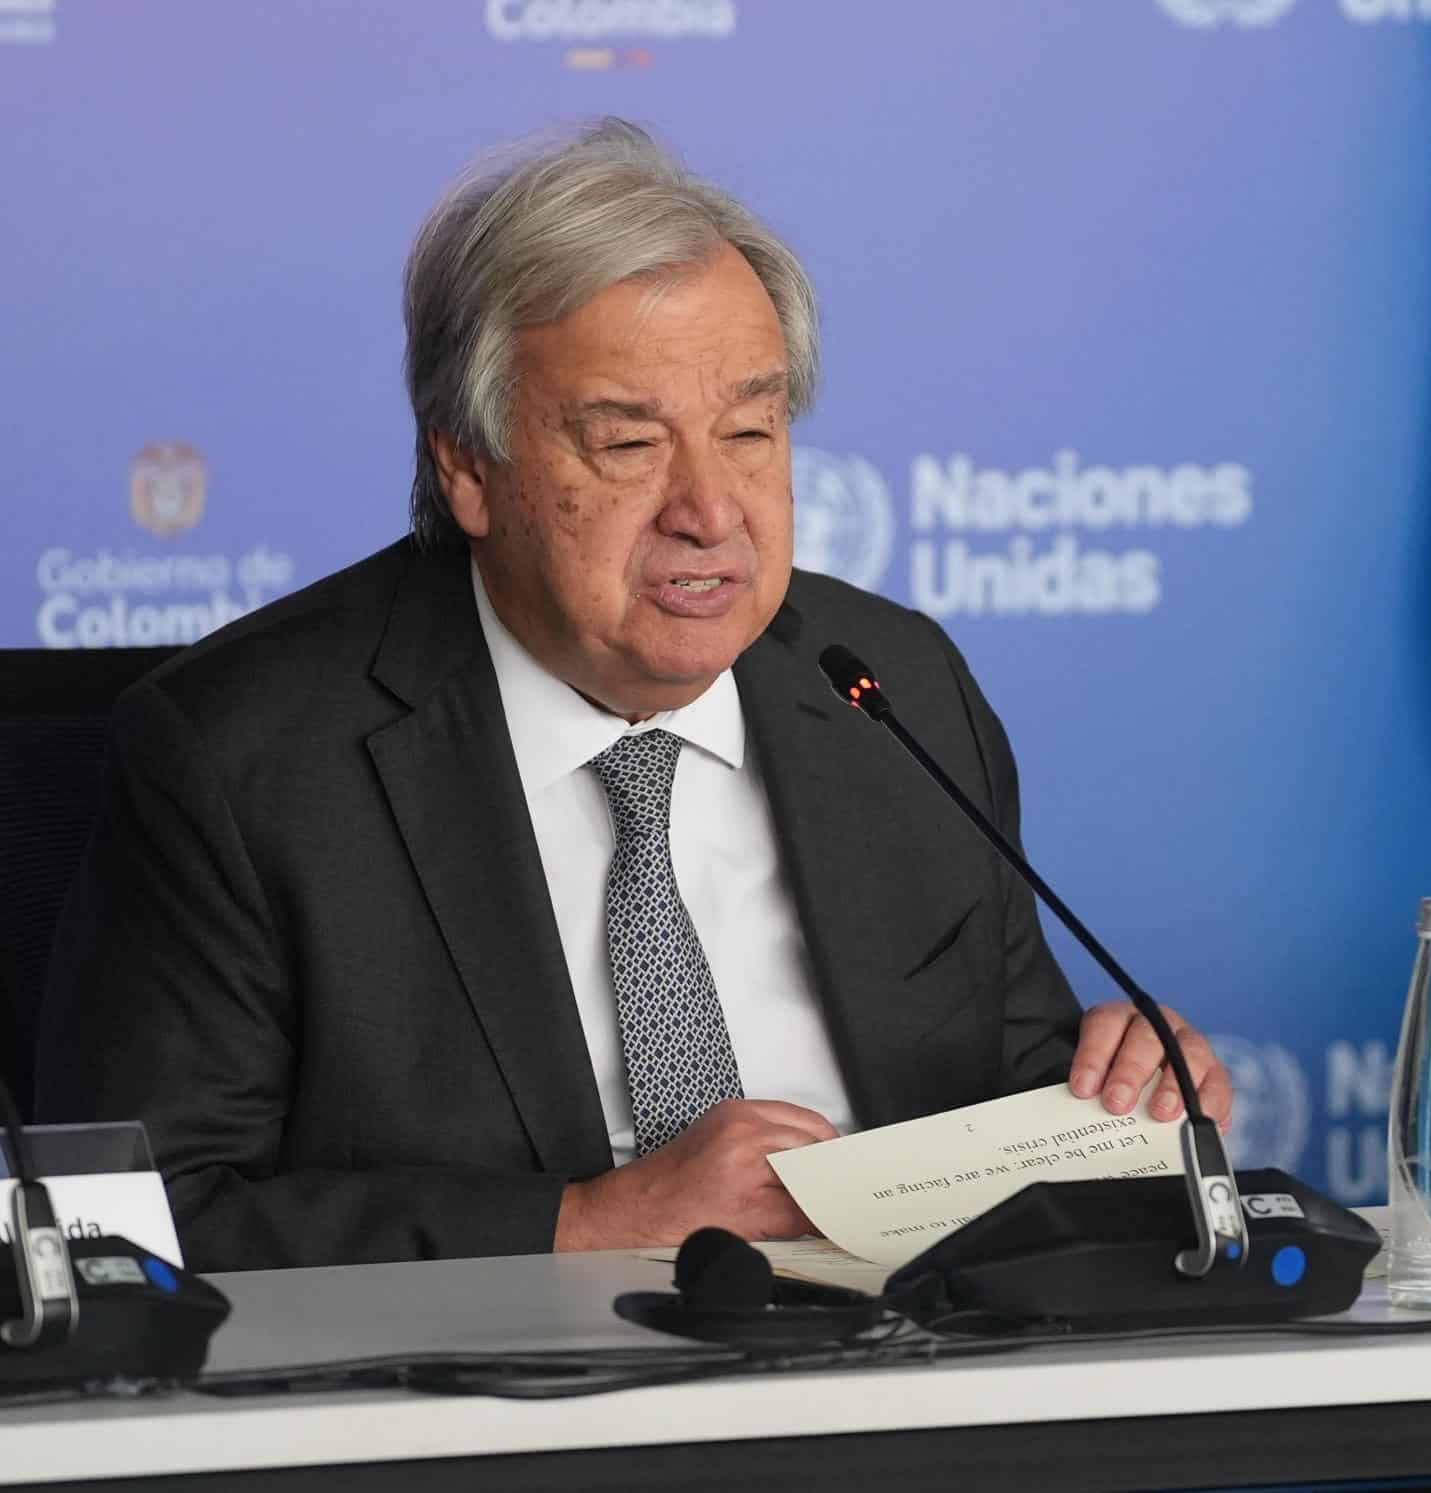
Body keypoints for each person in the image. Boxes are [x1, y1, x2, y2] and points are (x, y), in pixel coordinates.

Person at [35, 119, 1232, 1272]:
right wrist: (587, 1222)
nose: (710, 510)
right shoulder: (250, 758)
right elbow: (135, 1222)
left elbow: (1005, 1085)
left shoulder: (891, 685)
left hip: (895, 1383)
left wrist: (1111, 1105)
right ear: (468, 463)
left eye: (751, 431)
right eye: (627, 445)